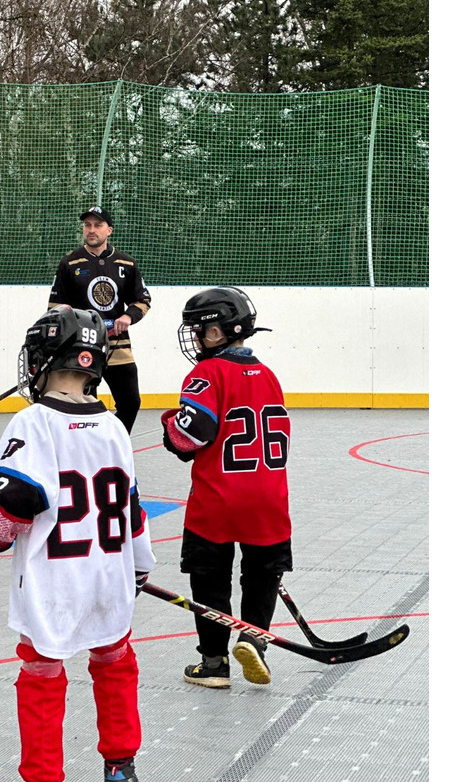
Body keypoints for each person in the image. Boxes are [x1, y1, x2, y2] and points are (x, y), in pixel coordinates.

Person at [0, 305, 156, 782]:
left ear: (47, 357)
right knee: (114, 662)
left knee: (41, 674)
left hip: (55, 579)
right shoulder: (113, 425)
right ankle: (120, 765)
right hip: (109, 576)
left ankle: (44, 774)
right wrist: (140, 566)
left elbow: (19, 503)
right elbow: (132, 506)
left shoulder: (34, 423)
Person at [159, 286, 292, 689]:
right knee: (262, 574)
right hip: (269, 499)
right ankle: (254, 638)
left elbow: (191, 436)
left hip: (217, 500)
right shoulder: (268, 375)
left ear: (217, 332)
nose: (196, 338)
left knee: (209, 576)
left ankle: (214, 663)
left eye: (200, 330)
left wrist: (169, 425)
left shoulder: (206, 373)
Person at [48, 204, 151, 434]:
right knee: (82, 406)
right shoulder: (69, 263)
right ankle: (87, 450)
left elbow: (143, 300)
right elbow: (55, 308)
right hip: (81, 348)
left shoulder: (127, 264)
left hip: (119, 347)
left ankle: (113, 444)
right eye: (87, 225)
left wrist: (127, 316)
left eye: (97, 225)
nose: (91, 230)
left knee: (131, 403)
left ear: (109, 230)